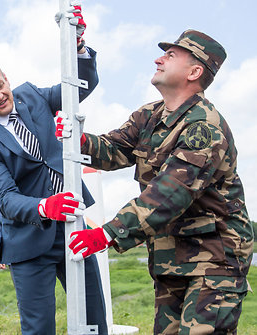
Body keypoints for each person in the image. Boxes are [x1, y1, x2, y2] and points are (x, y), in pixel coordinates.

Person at [63, 29, 254, 334]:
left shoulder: (204, 127)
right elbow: (112, 151)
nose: (158, 59)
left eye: (170, 55)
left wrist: (109, 233)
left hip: (214, 262)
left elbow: (171, 193)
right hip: (171, 259)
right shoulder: (149, 116)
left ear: (194, 71)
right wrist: (75, 139)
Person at [0, 5, 108, 335]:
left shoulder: (31, 95)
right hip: (28, 240)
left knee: (93, 318)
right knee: (39, 328)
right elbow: (7, 199)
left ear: (7, 79)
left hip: (73, 226)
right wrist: (45, 205)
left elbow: (77, 88)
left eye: (1, 85)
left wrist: (78, 46)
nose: (0, 96)